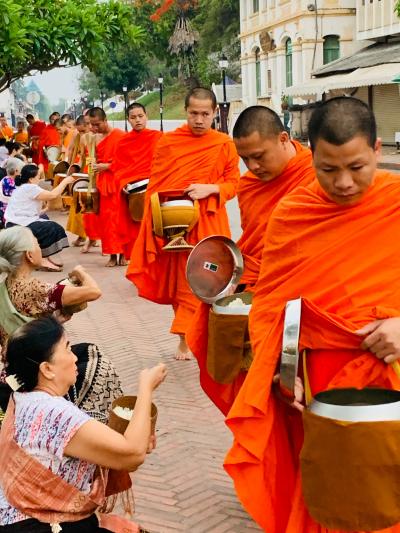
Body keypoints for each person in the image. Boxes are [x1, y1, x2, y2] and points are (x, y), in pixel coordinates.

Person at [224, 97, 400, 533]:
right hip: (321, 381)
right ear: (311, 155)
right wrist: (283, 367)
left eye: (356, 167)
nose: (342, 183)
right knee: (330, 495)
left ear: (377, 150)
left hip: (395, 366)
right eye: (328, 169)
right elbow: (271, 303)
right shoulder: (294, 213)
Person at [186, 105, 316, 414]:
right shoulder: (250, 187)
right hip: (257, 293)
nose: (253, 166)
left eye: (260, 155)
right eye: (245, 159)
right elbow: (255, 242)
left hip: (301, 300)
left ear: (284, 139)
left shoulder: (315, 175)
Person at [0, 316, 167, 531]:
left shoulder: (22, 398)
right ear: (47, 369)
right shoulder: (54, 412)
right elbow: (132, 454)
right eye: (67, 349)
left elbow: (111, 448)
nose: (74, 358)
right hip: (36, 523)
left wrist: (137, 439)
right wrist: (146, 387)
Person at [127, 87, 240, 360]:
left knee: (213, 278)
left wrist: (210, 188)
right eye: (193, 113)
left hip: (211, 222)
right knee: (184, 281)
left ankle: (209, 336)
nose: (199, 120)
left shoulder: (224, 144)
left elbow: (235, 183)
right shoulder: (169, 143)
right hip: (178, 225)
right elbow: (157, 184)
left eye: (205, 114)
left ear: (215, 113)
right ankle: (184, 338)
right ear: (186, 112)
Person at [0, 226, 123, 422]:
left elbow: (20, 333)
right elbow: (93, 291)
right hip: (39, 373)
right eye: (37, 244)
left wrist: (52, 322)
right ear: (29, 255)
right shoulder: (35, 288)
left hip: (14, 374)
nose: (41, 247)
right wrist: (80, 272)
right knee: (98, 363)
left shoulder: (3, 289)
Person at [112, 103, 163, 259]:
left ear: (146, 116)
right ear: (128, 120)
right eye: (133, 117)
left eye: (140, 116)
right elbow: (118, 169)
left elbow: (166, 162)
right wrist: (124, 184)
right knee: (138, 234)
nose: (138, 120)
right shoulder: (123, 143)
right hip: (135, 195)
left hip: (155, 191)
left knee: (158, 231)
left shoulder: (158, 137)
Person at [4, 164, 74, 272]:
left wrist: (46, 209)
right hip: (18, 225)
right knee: (51, 227)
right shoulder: (30, 187)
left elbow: (26, 212)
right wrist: (65, 181)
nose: (40, 179)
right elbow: (53, 195)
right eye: (38, 177)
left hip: (14, 223)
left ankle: (44, 257)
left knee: (46, 221)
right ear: (31, 179)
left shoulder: (23, 187)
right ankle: (41, 260)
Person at [87, 107, 125, 267]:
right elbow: (95, 159)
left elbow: (126, 161)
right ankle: (111, 254)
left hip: (117, 182)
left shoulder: (120, 136)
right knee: (106, 221)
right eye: (92, 125)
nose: (94, 128)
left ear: (105, 120)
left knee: (120, 220)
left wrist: (107, 166)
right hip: (102, 183)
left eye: (97, 124)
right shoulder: (95, 138)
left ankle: (122, 254)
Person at [65, 115, 91, 247]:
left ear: (88, 125)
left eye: (83, 130)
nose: (81, 133)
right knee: (79, 203)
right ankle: (82, 235)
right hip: (86, 173)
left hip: (96, 172)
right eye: (79, 131)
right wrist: (74, 169)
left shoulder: (97, 136)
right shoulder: (81, 139)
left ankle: (92, 236)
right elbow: (82, 158)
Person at [0, 158, 24, 226]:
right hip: (7, 214)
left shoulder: (6, 179)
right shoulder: (9, 182)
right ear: (16, 171)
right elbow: (18, 199)